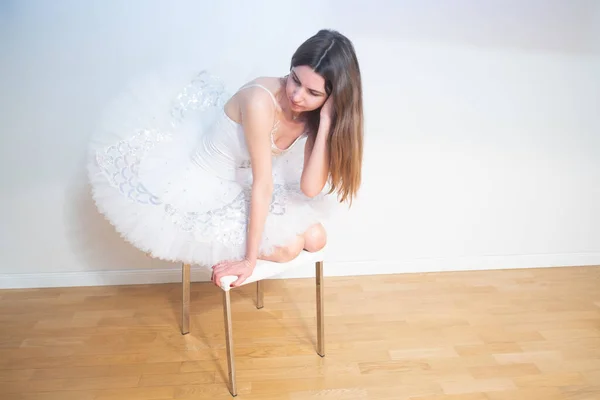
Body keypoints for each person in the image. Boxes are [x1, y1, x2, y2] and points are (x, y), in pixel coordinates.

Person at [87, 29, 364, 288]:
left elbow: (310, 188)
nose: (297, 95)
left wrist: (326, 121)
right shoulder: (259, 101)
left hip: (244, 181)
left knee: (316, 239)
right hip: (209, 182)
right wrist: (249, 259)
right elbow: (263, 183)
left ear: (331, 97)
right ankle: (214, 245)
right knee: (289, 248)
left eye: (313, 93)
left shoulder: (315, 115)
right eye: (294, 79)